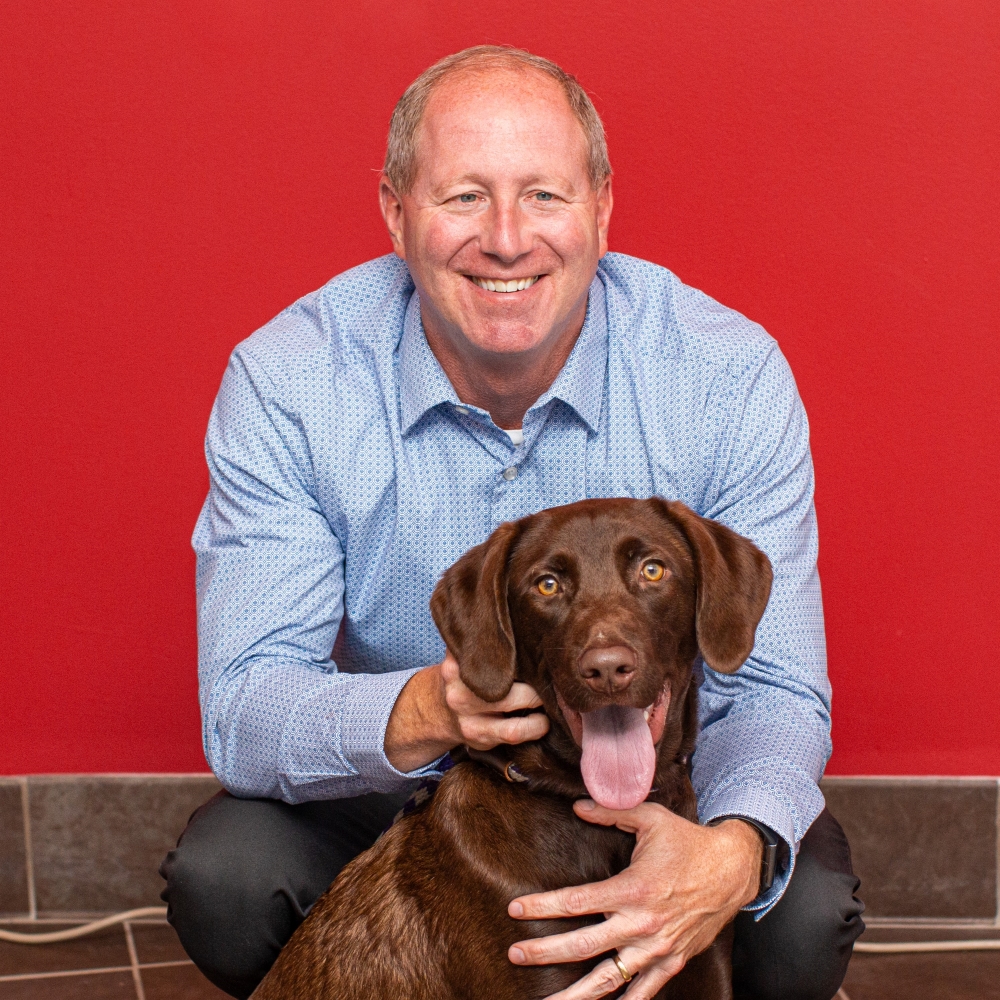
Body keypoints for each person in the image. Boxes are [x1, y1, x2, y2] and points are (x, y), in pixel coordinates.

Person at [161, 45, 863, 1000]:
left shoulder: (722, 375)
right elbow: (243, 707)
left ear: (602, 209)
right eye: (462, 198)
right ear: (395, 211)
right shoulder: (291, 383)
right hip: (396, 792)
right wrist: (431, 708)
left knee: (799, 911)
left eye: (543, 195)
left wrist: (728, 855)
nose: (505, 239)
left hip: (661, 786)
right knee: (229, 879)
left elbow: (776, 686)